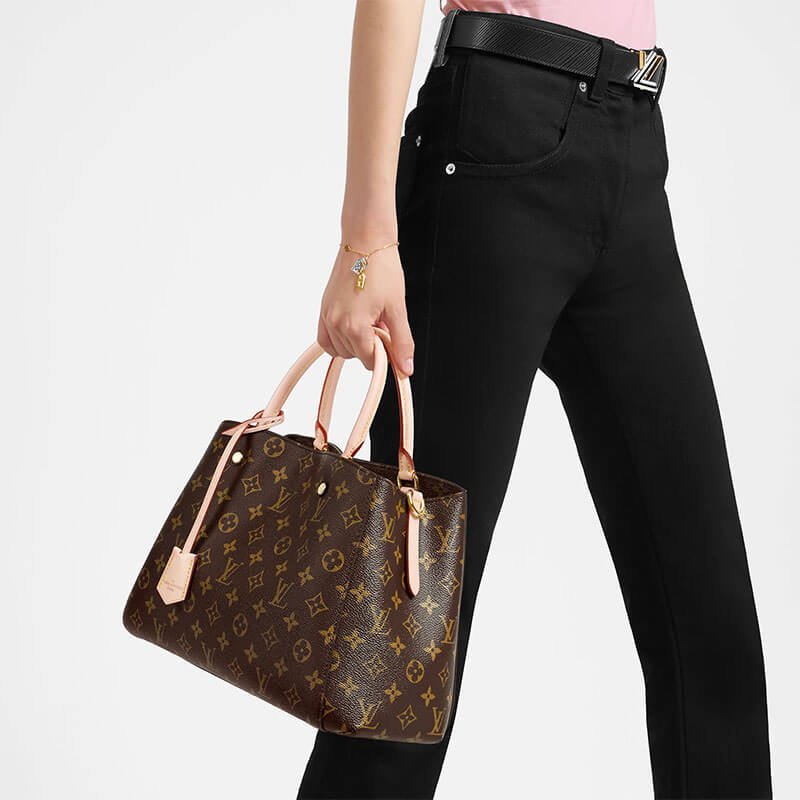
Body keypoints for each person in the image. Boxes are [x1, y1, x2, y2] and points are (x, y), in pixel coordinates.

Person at [301, 1, 773, 798]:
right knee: (410, 640)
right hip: (497, 138)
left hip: (631, 141)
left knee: (709, 628)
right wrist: (365, 241)